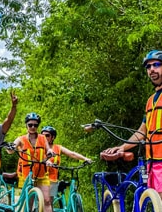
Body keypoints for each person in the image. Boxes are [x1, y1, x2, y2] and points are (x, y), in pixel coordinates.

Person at [104, 50, 162, 198]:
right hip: (152, 161)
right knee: (155, 201)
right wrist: (122, 147)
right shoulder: (150, 101)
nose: (152, 69)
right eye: (148, 67)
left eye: (156, 65)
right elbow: (142, 131)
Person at [12, 113, 60, 212]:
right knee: (30, 201)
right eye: (30, 125)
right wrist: (11, 147)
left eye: (35, 125)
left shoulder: (42, 138)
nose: (33, 127)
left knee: (47, 200)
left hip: (42, 173)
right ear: (26, 125)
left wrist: (50, 152)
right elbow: (12, 147)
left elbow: (48, 149)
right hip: (27, 174)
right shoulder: (21, 139)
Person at [41, 125, 92, 199]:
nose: (44, 138)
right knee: (43, 201)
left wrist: (85, 158)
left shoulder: (58, 148)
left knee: (50, 202)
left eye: (47, 135)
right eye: (43, 136)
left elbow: (72, 154)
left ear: (53, 137)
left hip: (53, 179)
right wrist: (47, 161)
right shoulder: (39, 148)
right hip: (41, 179)